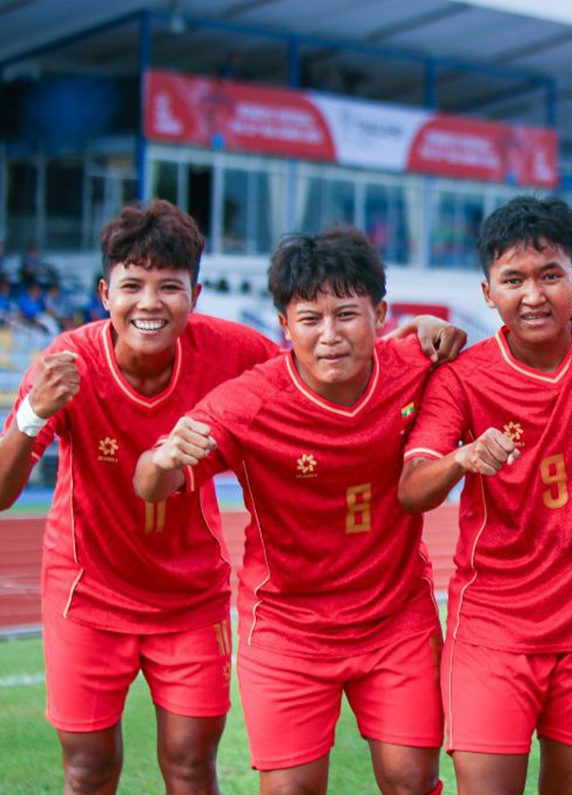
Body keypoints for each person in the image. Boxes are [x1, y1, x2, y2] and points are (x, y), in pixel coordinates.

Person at [132, 228, 460, 795]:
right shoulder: (249, 401)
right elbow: (149, 486)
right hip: (288, 629)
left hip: (395, 619)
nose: (330, 335)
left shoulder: (415, 365)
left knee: (412, 780)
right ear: (285, 326)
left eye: (346, 314)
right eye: (310, 319)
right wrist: (162, 459)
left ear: (381, 315)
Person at [0, 199, 280, 795]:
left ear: (195, 295)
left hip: (190, 597)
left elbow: (317, 374)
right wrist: (31, 414)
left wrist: (404, 345)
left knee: (190, 765)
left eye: (169, 287)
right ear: (105, 293)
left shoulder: (234, 351)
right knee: (88, 769)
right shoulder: (65, 363)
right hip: (87, 594)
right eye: (132, 286)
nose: (149, 303)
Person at [398, 196, 572, 795]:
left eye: (549, 275)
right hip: (494, 635)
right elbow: (412, 488)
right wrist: (462, 458)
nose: (533, 296)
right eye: (513, 281)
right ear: (488, 293)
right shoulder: (462, 378)